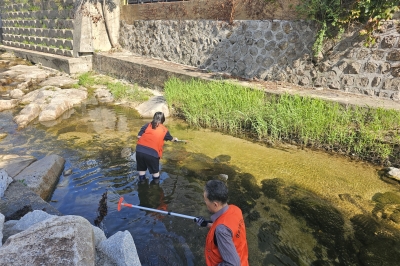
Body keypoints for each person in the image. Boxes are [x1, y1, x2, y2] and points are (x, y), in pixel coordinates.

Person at [196, 180, 249, 266]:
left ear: (215, 205)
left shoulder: (221, 230)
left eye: (205, 200)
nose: (205, 202)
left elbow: (233, 264)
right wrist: (206, 224)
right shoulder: (235, 209)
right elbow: (231, 231)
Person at [135, 111, 177, 182]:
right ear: (163, 120)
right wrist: (175, 139)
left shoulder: (147, 125)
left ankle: (142, 186)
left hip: (139, 150)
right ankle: (155, 188)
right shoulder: (164, 130)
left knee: (141, 171)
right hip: (152, 152)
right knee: (155, 173)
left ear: (154, 118)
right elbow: (171, 139)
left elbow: (139, 136)